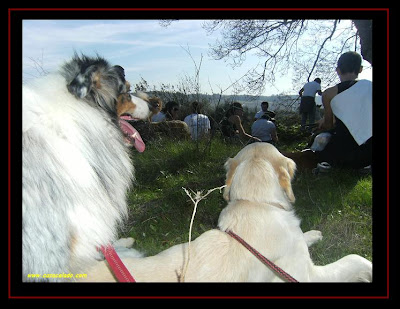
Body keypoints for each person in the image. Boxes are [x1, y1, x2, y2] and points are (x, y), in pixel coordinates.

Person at [285, 51, 372, 170]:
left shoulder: (329, 94)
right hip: (369, 151)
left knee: (321, 140)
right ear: (361, 69)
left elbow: (329, 125)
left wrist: (324, 122)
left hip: (345, 152)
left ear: (338, 70)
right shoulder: (369, 87)